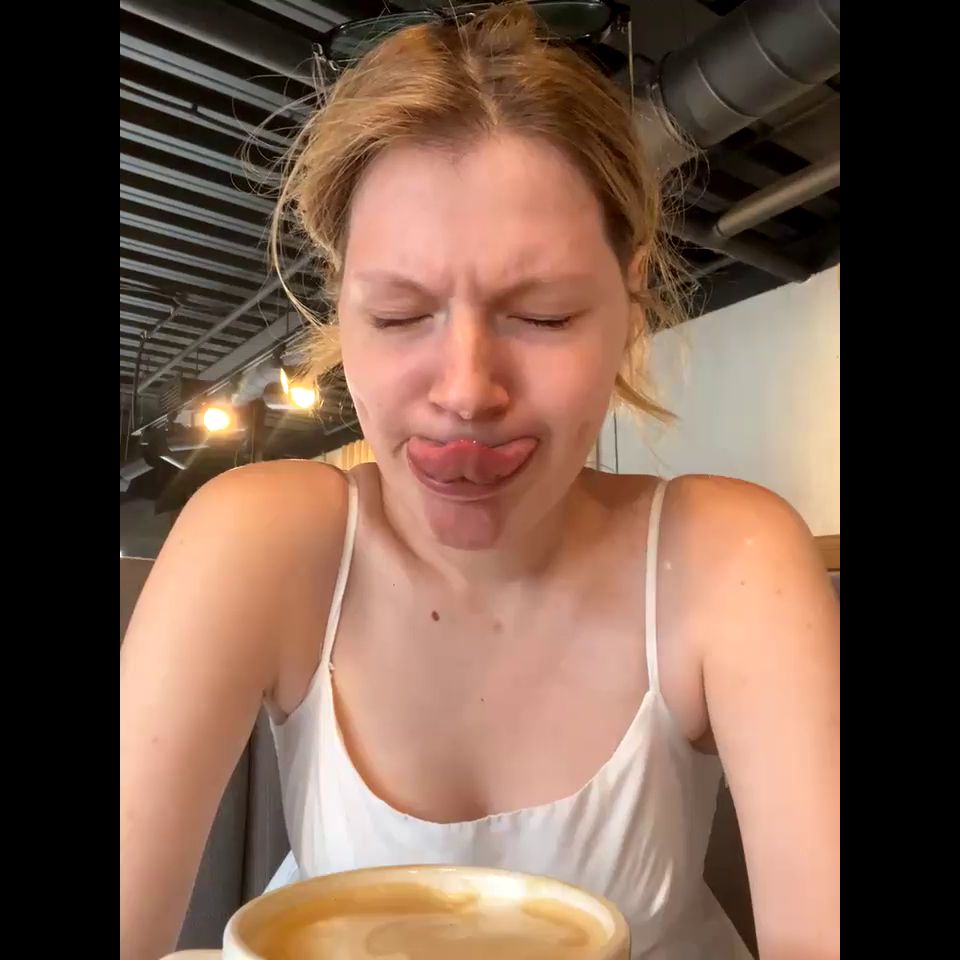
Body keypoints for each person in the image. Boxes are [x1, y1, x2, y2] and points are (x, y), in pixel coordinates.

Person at [119, 5, 840, 959]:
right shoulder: (261, 541)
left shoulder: (730, 557)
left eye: (542, 317)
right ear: (341, 310)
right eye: (398, 314)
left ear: (629, 302)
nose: (465, 391)